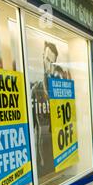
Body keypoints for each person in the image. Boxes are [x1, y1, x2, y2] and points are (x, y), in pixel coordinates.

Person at [30, 41, 60, 176]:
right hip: (40, 159)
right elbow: (33, 128)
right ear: (42, 57)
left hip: (56, 153)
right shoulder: (35, 89)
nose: (48, 66)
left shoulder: (57, 90)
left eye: (52, 63)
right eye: (47, 60)